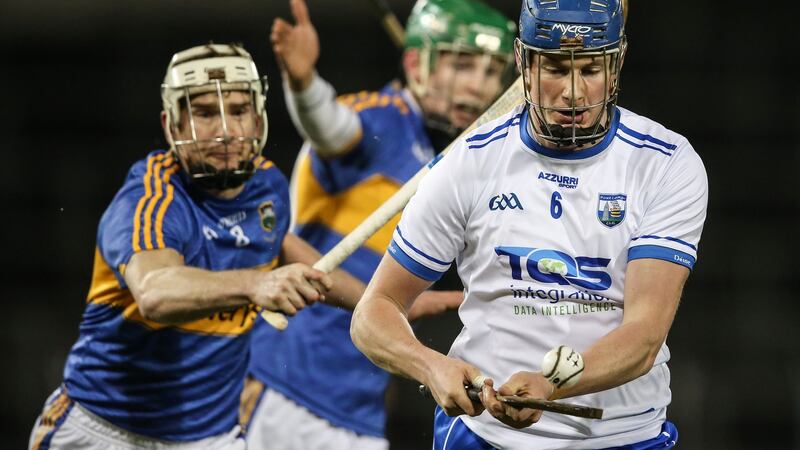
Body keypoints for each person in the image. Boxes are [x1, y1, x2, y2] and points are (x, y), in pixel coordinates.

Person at [351, 0, 708, 448]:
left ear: (616, 65)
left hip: (622, 436)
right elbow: (372, 313)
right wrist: (431, 366)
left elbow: (644, 336)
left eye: (590, 69)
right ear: (523, 61)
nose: (574, 92)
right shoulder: (469, 162)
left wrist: (550, 385)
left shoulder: (665, 163)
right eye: (555, 68)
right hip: (484, 436)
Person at [28, 43, 365, 450]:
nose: (225, 130)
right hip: (106, 430)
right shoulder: (150, 199)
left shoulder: (268, 187)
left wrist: (376, 299)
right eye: (205, 113)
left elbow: (279, 243)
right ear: (172, 125)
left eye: (238, 111)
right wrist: (256, 284)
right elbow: (155, 292)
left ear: (258, 118)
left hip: (210, 438)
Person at [242, 0, 517, 448]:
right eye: (462, 65)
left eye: (491, 72)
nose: (477, 85)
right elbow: (328, 125)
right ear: (415, 64)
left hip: (362, 406)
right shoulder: (383, 119)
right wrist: (303, 84)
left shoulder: (460, 160)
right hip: (289, 384)